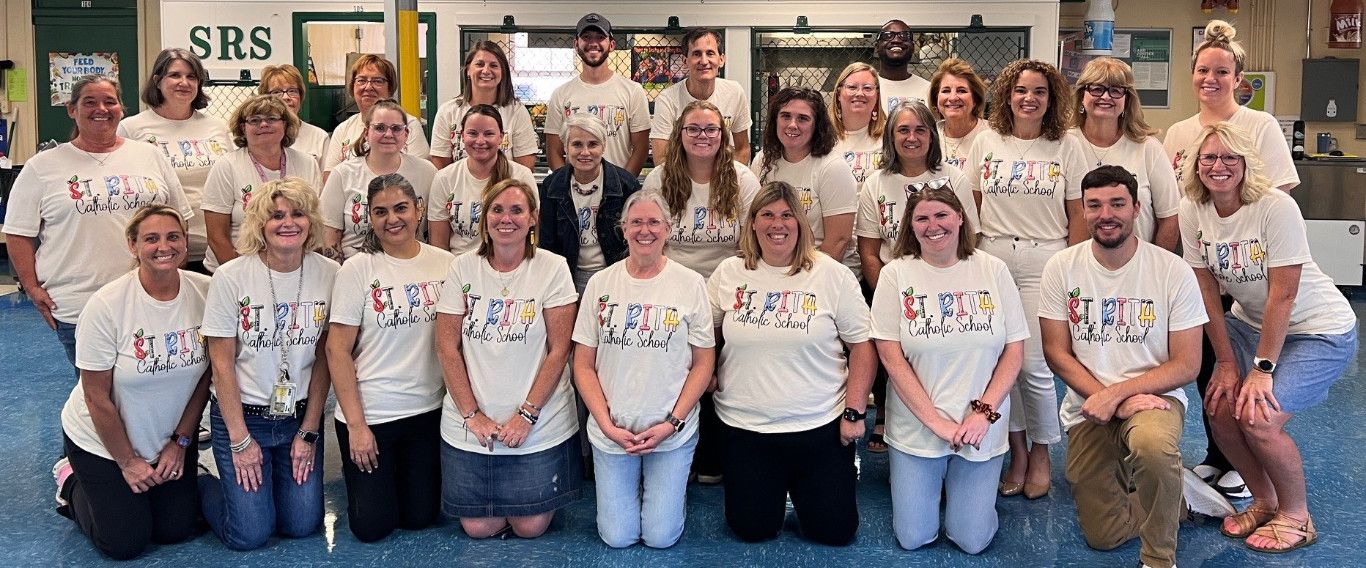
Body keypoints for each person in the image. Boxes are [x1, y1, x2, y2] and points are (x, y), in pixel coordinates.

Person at [1040, 165, 1235, 568]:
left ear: (1136, 208)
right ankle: (1177, 497)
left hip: (1155, 400)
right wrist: (1107, 398)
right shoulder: (1062, 267)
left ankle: (1159, 557)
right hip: (1089, 405)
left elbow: (1188, 363)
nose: (1105, 214)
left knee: (1150, 448)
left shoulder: (1171, 270)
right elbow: (1056, 353)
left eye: (1117, 203)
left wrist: (1119, 395)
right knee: (1103, 536)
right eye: (1093, 205)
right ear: (1083, 210)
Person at [1179, 123, 1356, 553]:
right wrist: (1224, 362)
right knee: (1220, 407)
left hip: (1317, 328)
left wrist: (1261, 370)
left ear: (1244, 164)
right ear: (1195, 165)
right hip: (1248, 322)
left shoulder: (1274, 207)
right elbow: (1205, 290)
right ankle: (1264, 501)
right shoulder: (1192, 209)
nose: (1218, 166)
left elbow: (1285, 293)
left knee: (1259, 418)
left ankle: (1297, 516)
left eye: (1229, 158)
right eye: (1209, 158)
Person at [1163, 19, 1299, 499]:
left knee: (1244, 364)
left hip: (1246, 267)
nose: (1211, 79)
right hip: (1198, 265)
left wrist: (1235, 247)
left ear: (1239, 78)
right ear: (1192, 75)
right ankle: (1219, 455)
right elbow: (1174, 200)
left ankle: (1247, 460)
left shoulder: (1258, 126)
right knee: (1208, 365)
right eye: (1203, 70)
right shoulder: (1179, 133)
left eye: (1222, 71)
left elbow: (1277, 194)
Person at [707, 181, 874, 545]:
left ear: (800, 223)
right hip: (745, 427)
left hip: (819, 426)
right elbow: (707, 335)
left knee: (835, 532)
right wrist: (707, 373)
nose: (776, 224)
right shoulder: (730, 273)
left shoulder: (831, 274)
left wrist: (854, 412)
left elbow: (863, 346)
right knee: (752, 530)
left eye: (786, 215)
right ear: (752, 223)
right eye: (766, 214)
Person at [870, 187, 1025, 553]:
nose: (933, 225)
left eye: (942, 215)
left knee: (971, 541)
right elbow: (891, 359)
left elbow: (1014, 351)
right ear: (911, 225)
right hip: (917, 428)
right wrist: (937, 423)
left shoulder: (993, 270)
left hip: (979, 426)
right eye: (922, 218)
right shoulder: (896, 275)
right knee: (913, 538)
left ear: (960, 218)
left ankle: (975, 499)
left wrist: (983, 413)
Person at [52, 206, 211, 560]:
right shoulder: (106, 305)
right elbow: (96, 398)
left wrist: (181, 442)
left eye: (173, 236)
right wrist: (127, 462)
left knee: (175, 530)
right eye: (150, 239)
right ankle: (70, 479)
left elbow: (205, 377)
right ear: (132, 245)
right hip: (102, 441)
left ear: (186, 242)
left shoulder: (206, 291)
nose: (163, 247)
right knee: (125, 543)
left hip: (167, 439)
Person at [5, 75, 192, 374]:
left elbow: (179, 219)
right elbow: (17, 232)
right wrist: (31, 287)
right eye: (89, 102)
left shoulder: (150, 156)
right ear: (71, 109)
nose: (101, 109)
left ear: (121, 108)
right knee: (98, 397)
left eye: (110, 101)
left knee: (156, 384)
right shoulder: (42, 167)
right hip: (78, 304)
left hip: (150, 296)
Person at [965, 58, 1089, 500]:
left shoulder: (1067, 146)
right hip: (993, 257)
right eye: (1021, 90)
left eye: (1039, 91)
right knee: (1002, 367)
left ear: (1052, 98)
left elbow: (1078, 214)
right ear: (1007, 95)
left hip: (1046, 259)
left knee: (1036, 367)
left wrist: (1073, 268)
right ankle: (1015, 450)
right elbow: (972, 209)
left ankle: (1041, 451)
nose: (1029, 98)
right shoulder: (986, 141)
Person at [433, 179, 582, 539]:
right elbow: (447, 347)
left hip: (537, 421)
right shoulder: (462, 269)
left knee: (530, 526)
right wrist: (472, 414)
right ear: (485, 219)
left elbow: (560, 349)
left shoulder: (553, 268)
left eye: (517, 210)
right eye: (497, 210)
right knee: (477, 527)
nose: (506, 219)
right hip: (472, 420)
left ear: (533, 218)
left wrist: (527, 414)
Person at [199, 177, 338, 550]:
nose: (288, 222)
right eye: (276, 215)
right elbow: (221, 363)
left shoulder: (329, 273)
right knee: (250, 535)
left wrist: (309, 431)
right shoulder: (231, 277)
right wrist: (240, 440)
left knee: (301, 525)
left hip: (299, 416)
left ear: (311, 222)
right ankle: (203, 479)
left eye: (297, 214)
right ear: (260, 224)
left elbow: (325, 358)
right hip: (244, 417)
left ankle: (267, 486)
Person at [572, 190, 716, 548]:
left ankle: (665, 490)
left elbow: (703, 364)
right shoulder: (601, 284)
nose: (645, 230)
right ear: (623, 229)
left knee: (660, 537)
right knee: (617, 537)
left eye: (654, 222)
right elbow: (583, 365)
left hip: (672, 430)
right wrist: (606, 425)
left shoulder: (690, 283)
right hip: (613, 431)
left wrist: (673, 422)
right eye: (636, 222)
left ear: (669, 229)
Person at [326, 174, 453, 542]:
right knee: (372, 528)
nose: (392, 219)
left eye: (400, 208)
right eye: (380, 211)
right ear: (369, 217)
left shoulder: (445, 264)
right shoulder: (358, 269)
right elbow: (336, 350)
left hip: (427, 412)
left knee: (420, 518)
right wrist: (357, 427)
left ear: (419, 210)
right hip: (374, 414)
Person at [642, 100, 762, 484]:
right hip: (674, 286)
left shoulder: (743, 180)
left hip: (727, 289)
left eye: (711, 129)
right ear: (679, 135)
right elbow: (651, 239)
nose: (702, 136)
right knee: (676, 369)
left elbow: (750, 246)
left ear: (723, 136)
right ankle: (674, 448)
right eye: (693, 129)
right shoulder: (659, 179)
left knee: (720, 375)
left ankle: (713, 455)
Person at [856, 101, 976, 453]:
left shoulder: (953, 178)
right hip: (894, 288)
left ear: (932, 135)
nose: (911, 138)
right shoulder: (876, 182)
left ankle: (951, 426)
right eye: (903, 130)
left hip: (947, 288)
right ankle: (897, 432)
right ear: (890, 137)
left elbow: (970, 237)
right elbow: (868, 249)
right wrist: (888, 296)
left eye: (920, 129)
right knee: (894, 362)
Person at [118, 48, 231, 272]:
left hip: (217, 247)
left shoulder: (217, 127)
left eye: (192, 77)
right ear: (157, 81)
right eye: (175, 75)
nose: (184, 82)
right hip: (164, 251)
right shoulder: (132, 128)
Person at [1070, 57, 1179, 252]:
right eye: (1096, 88)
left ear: (1127, 100)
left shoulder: (1148, 148)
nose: (1105, 97)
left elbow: (1170, 218)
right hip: (1077, 266)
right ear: (1082, 96)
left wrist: (1154, 267)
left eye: (1115, 90)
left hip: (1136, 268)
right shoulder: (1065, 144)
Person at [203, 95, 323, 273]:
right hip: (236, 268)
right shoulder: (226, 166)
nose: (264, 125)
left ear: (285, 125)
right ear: (243, 128)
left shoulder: (307, 163)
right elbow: (216, 236)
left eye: (272, 119)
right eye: (255, 120)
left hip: (292, 270)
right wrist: (240, 276)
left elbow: (314, 222)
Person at [750, 87, 858, 267]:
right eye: (785, 116)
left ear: (817, 125)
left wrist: (801, 279)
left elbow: (838, 242)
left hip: (821, 268)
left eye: (803, 118)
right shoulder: (763, 160)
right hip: (777, 266)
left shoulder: (833, 168)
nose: (792, 125)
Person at [322, 99, 437, 260]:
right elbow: (330, 237)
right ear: (366, 133)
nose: (388, 134)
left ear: (406, 135)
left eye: (396, 128)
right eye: (380, 128)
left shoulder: (427, 172)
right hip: (358, 271)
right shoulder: (342, 174)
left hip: (410, 269)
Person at [540, 113, 642, 292]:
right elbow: (547, 244)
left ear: (604, 147)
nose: (585, 152)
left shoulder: (626, 185)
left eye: (593, 144)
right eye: (577, 144)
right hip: (567, 277)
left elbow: (635, 240)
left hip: (615, 276)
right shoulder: (552, 186)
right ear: (565, 147)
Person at [544, 13, 651, 176]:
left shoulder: (633, 91)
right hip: (574, 193)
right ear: (576, 44)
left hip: (619, 194)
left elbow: (640, 149)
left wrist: (622, 186)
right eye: (586, 37)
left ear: (612, 44)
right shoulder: (561, 94)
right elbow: (553, 151)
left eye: (600, 37)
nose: (593, 43)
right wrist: (567, 187)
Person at [428, 105, 536, 256]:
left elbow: (532, 235)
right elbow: (439, 246)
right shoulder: (444, 178)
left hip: (510, 266)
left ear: (501, 137)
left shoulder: (522, 176)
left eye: (488, 134)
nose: (480, 141)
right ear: (462, 136)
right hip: (460, 269)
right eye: (472, 133)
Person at [650, 28, 752, 164]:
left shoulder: (735, 92)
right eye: (697, 54)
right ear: (685, 61)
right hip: (682, 180)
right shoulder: (668, 99)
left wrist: (729, 182)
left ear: (721, 60)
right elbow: (661, 158)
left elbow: (742, 149)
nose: (704, 61)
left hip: (723, 180)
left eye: (710, 53)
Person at [429, 42, 537, 170]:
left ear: (503, 73)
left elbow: (525, 167)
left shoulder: (517, 112)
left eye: (494, 65)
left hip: (503, 188)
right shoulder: (448, 112)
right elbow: (441, 166)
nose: (486, 71)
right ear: (468, 70)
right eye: (479, 64)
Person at [323, 55, 429, 177]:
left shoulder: (409, 125)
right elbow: (329, 176)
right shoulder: (343, 129)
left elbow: (418, 174)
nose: (368, 87)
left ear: (390, 88)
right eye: (361, 80)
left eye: (377, 81)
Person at [258, 64, 331, 166]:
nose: (285, 97)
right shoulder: (257, 136)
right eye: (277, 92)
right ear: (265, 98)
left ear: (301, 96)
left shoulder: (319, 137)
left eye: (292, 91)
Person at [929, 58, 991, 170]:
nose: (953, 98)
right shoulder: (928, 136)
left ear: (975, 99)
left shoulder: (993, 134)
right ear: (936, 99)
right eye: (946, 91)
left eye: (961, 91)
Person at [830, 62, 886, 186]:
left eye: (867, 88)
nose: (860, 93)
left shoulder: (890, 135)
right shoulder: (822, 136)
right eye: (852, 87)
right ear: (839, 94)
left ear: (877, 95)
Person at [875, 19, 931, 113]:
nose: (896, 40)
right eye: (888, 35)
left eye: (904, 36)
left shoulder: (928, 89)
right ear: (877, 47)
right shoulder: (864, 88)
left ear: (913, 47)